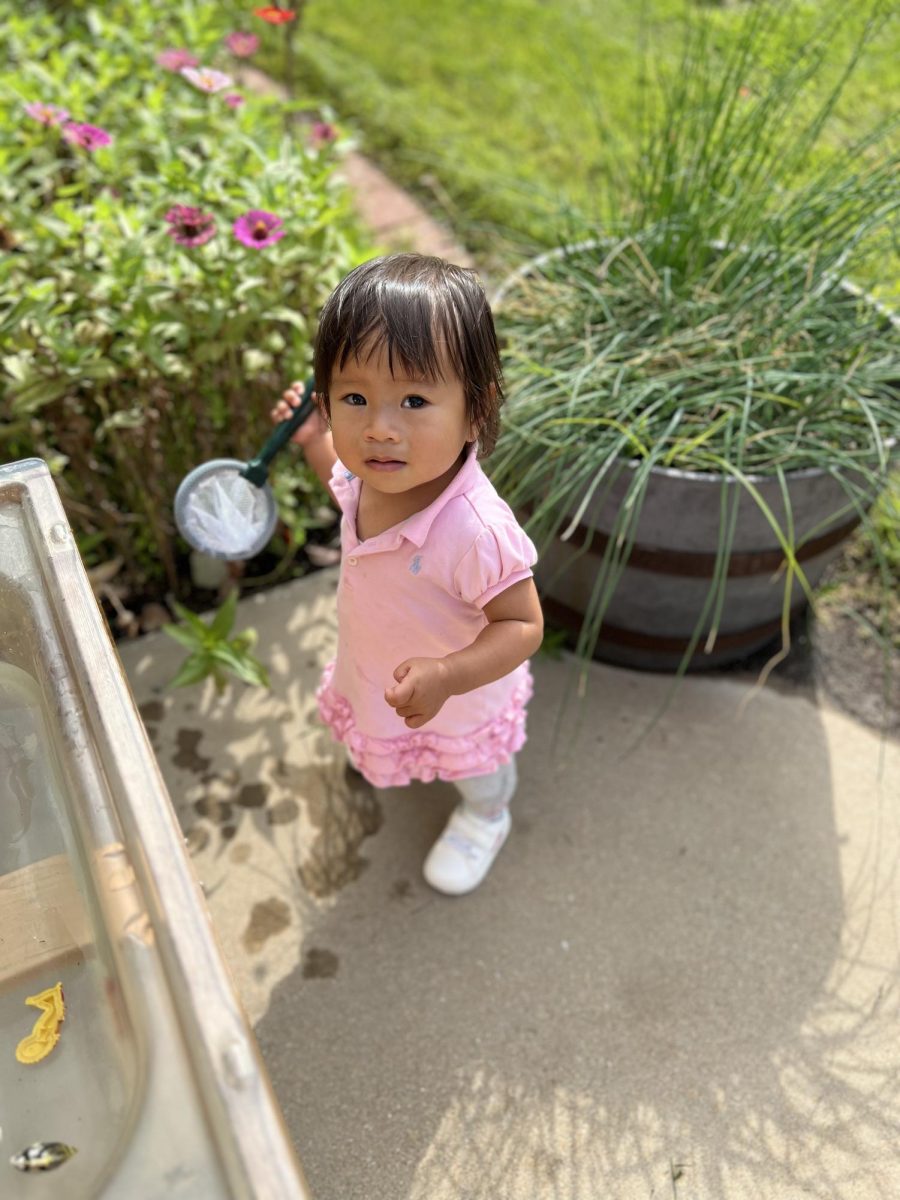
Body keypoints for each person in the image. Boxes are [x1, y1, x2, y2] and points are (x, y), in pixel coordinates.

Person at [270, 253, 543, 895]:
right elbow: (339, 489)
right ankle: (393, 749)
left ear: (476, 411)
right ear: (326, 400)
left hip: (459, 690)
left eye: (415, 400)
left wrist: (448, 675)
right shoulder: (365, 479)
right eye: (355, 398)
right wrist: (314, 440)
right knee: (388, 722)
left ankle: (487, 814)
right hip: (380, 663)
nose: (380, 429)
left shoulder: (473, 529)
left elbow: (523, 623)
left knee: (473, 766)